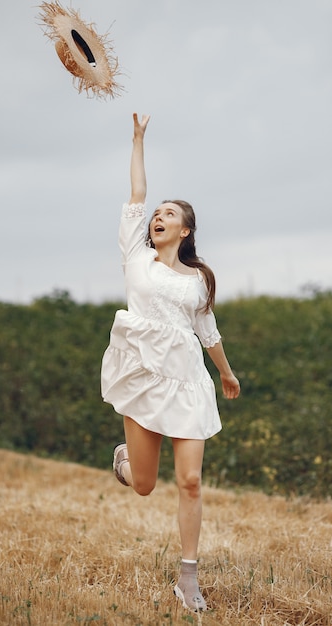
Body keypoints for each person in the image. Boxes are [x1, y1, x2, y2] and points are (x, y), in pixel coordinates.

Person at [101, 113, 240, 612]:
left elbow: (207, 331)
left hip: (187, 383)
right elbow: (136, 195)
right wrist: (137, 141)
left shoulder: (199, 278)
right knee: (143, 486)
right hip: (142, 376)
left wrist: (225, 371)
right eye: (155, 214)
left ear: (185, 229)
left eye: (168, 214)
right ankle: (126, 457)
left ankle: (187, 579)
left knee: (190, 481)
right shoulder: (134, 257)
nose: (157, 217)